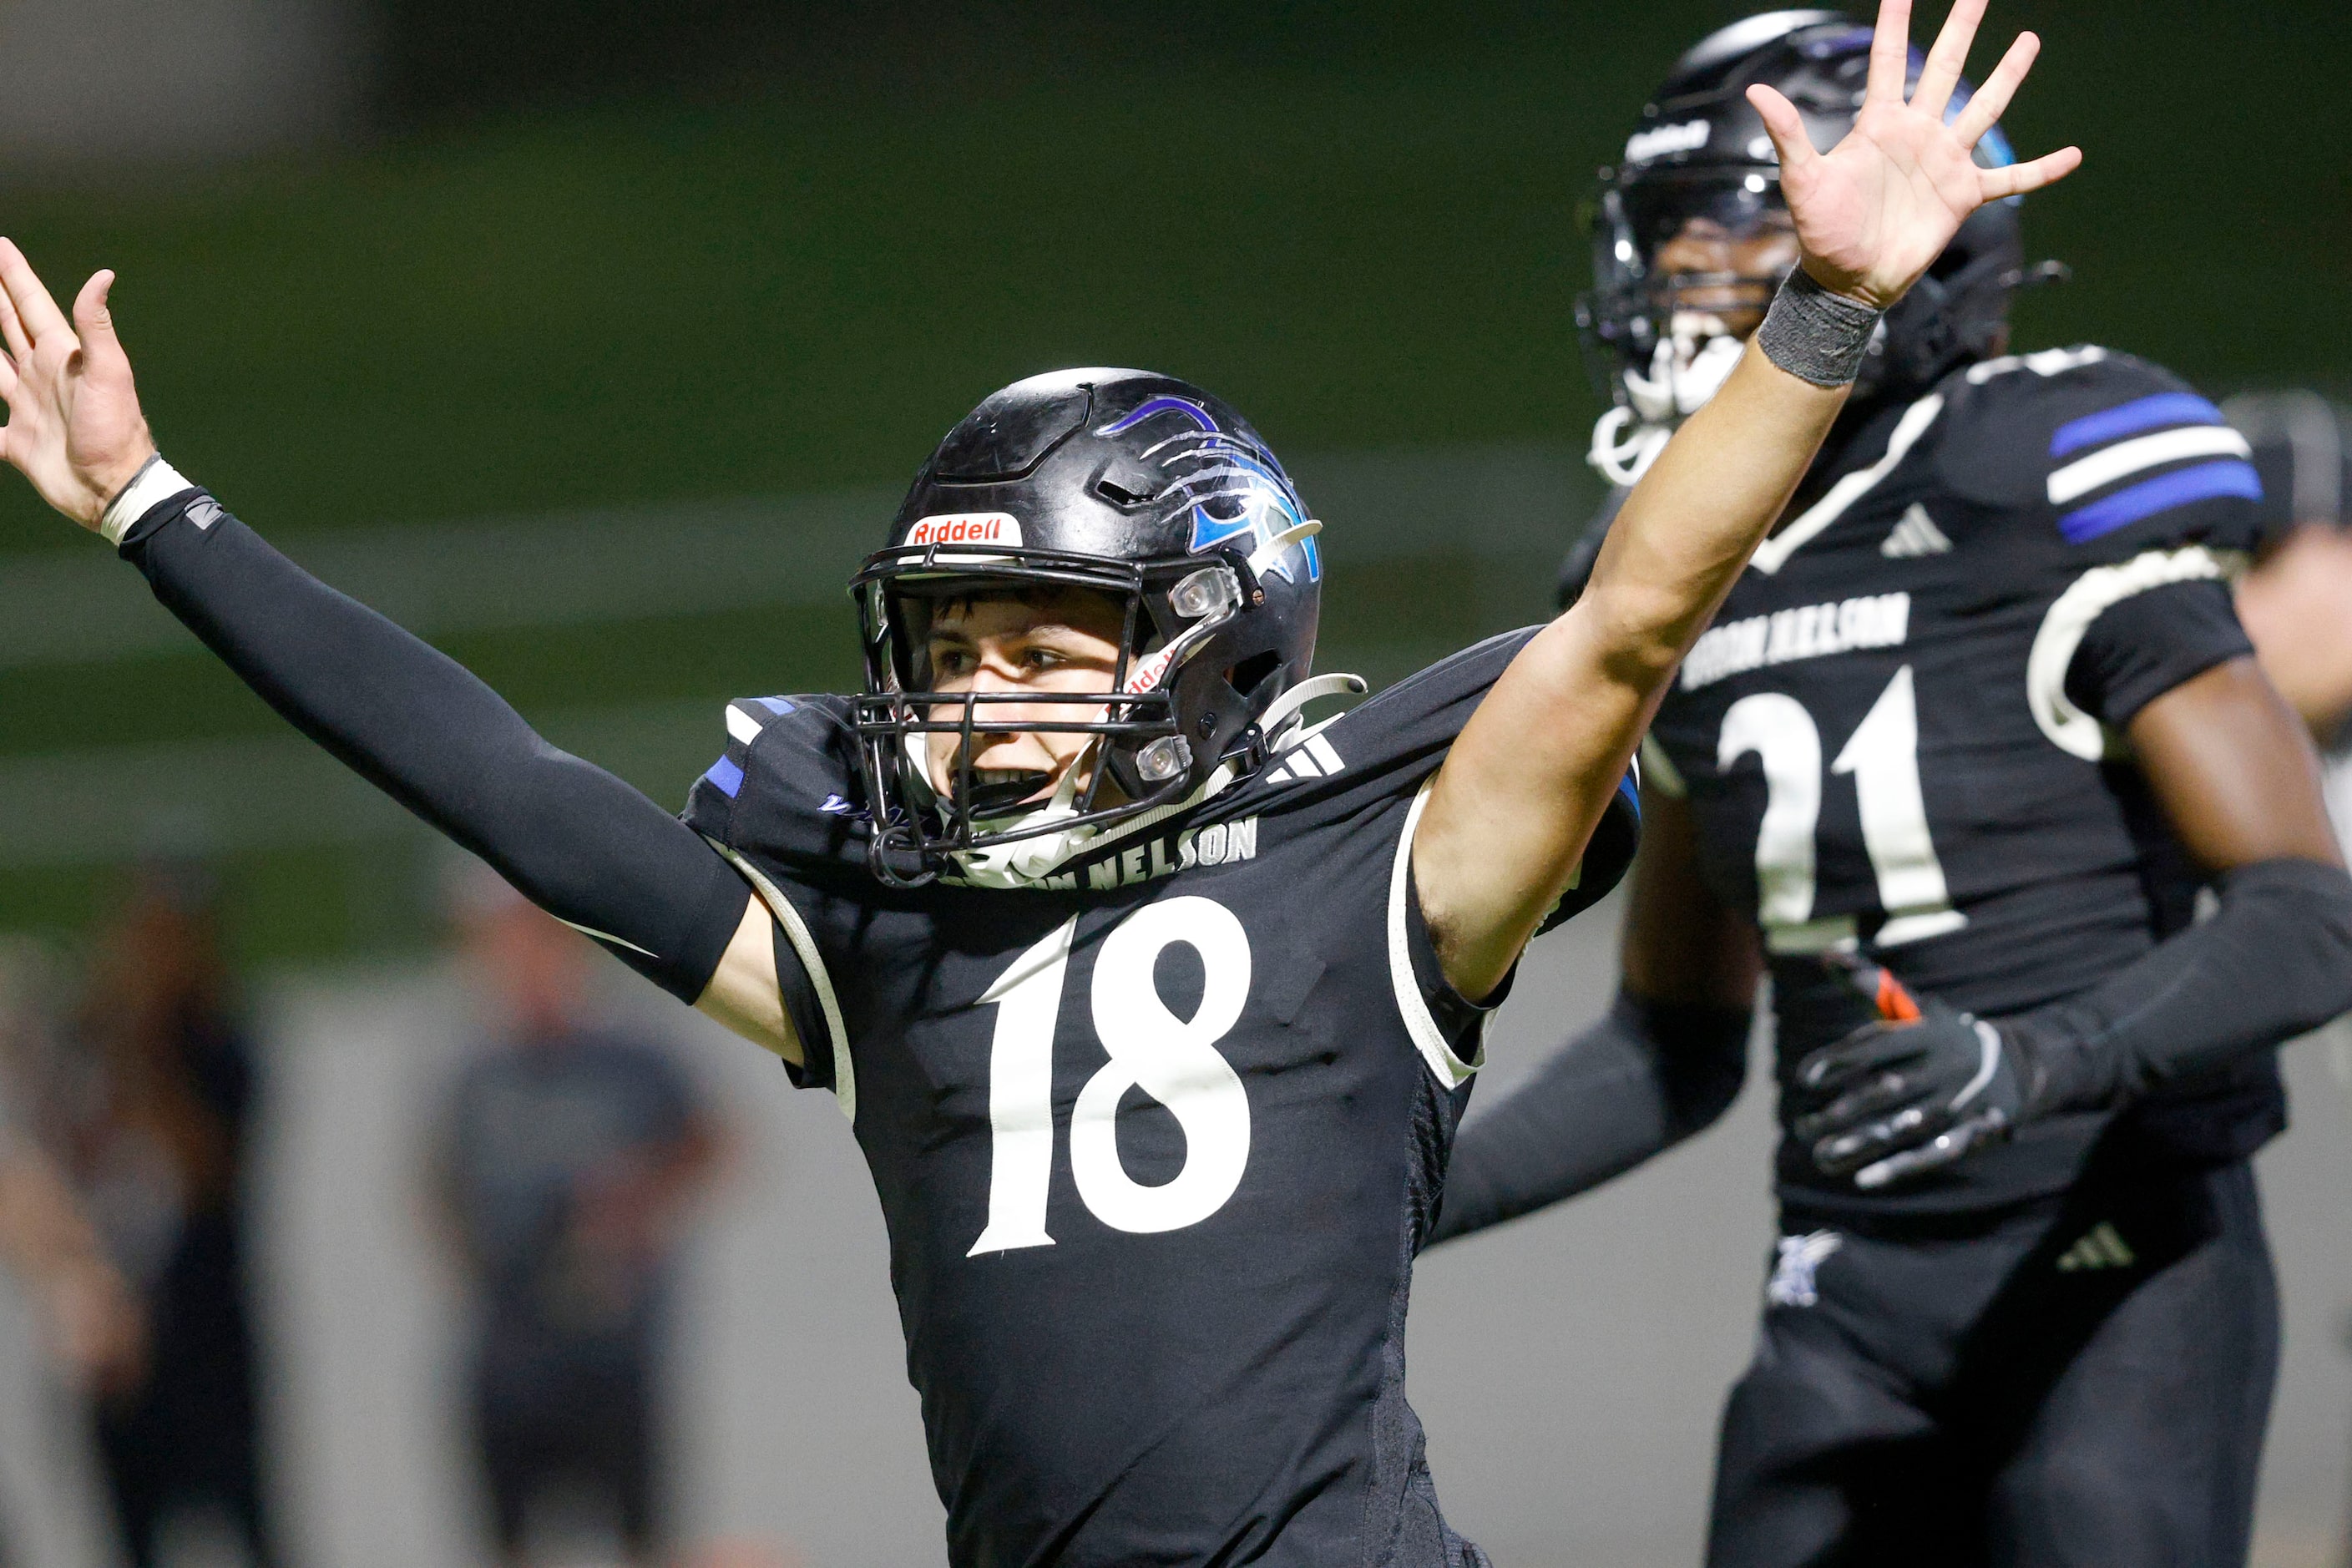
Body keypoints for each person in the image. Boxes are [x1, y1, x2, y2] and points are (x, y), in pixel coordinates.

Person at [0, 2, 2077, 1555]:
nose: (982, 699)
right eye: (954, 648)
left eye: (1039, 645)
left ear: (1216, 629)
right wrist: (154, 509)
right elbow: (515, 792)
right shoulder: (896, 932)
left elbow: (1628, 617)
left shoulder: (1382, 863)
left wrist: (1823, 309)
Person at [1429, 13, 2352, 1566]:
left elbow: (2305, 918)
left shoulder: (2042, 469)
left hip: (2113, 1258)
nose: (1680, 296)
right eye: (1668, 252)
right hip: (1845, 1293)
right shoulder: (1655, 567)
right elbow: (1672, 1044)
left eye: (1733, 245)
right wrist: (1380, 1193)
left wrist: (2037, 1059)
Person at [430, 873, 723, 1566]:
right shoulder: (475, 1073)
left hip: (613, 1349)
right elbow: (440, 1187)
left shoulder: (629, 1057)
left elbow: (709, 1144)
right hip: (510, 1352)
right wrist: (473, 1256)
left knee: (641, 1533)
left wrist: (637, 1206)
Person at [66, 873, 276, 1568]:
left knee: (254, 1527)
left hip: (214, 1341)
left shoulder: (225, 1049)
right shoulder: (90, 1041)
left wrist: (148, 1051)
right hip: (128, 1351)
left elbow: (207, 1175)